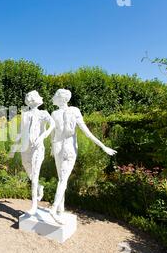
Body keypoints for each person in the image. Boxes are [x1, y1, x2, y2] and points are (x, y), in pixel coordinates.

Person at [49, 89, 117, 223]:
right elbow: (86, 132)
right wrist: (103, 146)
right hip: (68, 149)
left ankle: (59, 210)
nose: (52, 98)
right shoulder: (74, 111)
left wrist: (51, 147)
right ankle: (54, 208)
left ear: (61, 98)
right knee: (63, 180)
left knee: (61, 179)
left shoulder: (54, 113)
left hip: (57, 147)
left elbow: (53, 133)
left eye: (55, 96)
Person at [9, 90, 55, 215]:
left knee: (35, 174)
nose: (29, 99)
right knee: (26, 165)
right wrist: (13, 148)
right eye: (27, 98)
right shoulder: (25, 114)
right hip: (25, 147)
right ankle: (39, 187)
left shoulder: (43, 113)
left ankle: (34, 205)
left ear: (35, 99)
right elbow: (20, 131)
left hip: (37, 147)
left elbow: (52, 124)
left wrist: (43, 136)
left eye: (30, 97)